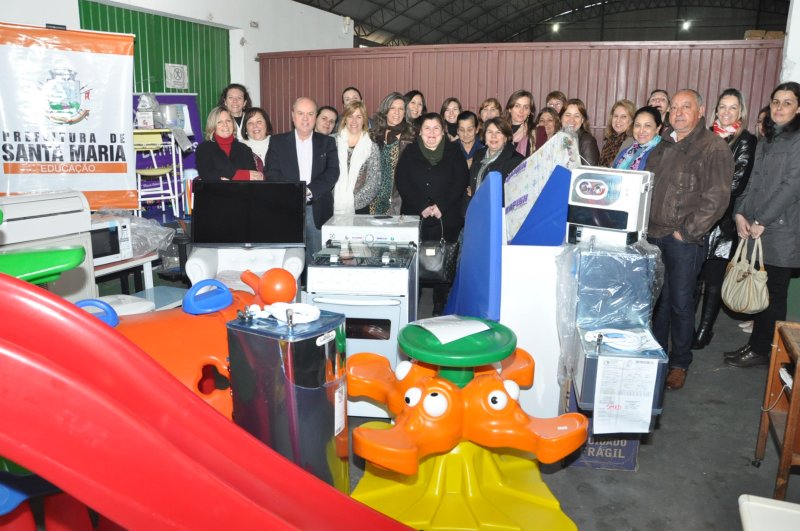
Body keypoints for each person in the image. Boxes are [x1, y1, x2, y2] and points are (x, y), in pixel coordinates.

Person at [645, 89, 734, 390]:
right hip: (654, 236)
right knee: (659, 301)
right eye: (674, 107)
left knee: (682, 303)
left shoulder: (713, 147)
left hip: (684, 240)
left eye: (687, 107)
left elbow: (717, 198)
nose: (679, 112)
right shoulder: (662, 146)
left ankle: (680, 362)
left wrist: (687, 232)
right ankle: (658, 356)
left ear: (701, 111)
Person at [725, 81, 800, 368]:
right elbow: (753, 181)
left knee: (772, 294)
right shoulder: (768, 138)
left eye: (787, 102)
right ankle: (758, 345)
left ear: (798, 108)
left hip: (781, 230)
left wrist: (761, 219)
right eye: (776, 102)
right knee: (760, 291)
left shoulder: (796, 140)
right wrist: (740, 213)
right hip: (757, 226)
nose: (779, 107)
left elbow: (792, 185)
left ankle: (765, 350)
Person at [692, 89, 757, 350]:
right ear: (715, 110)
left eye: (732, 107)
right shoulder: (704, 136)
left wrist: (703, 192)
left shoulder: (746, 141)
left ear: (740, 111)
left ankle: (705, 329)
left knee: (714, 278)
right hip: (697, 217)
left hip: (723, 221)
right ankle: (687, 327)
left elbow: (737, 183)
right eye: (722, 106)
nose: (726, 112)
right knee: (694, 276)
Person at [395, 113, 469, 315]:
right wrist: (421, 206)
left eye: (436, 128)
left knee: (443, 263)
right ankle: (413, 302)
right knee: (414, 262)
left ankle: (440, 304)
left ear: (442, 131)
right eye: (427, 128)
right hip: (416, 217)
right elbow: (402, 181)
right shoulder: (410, 152)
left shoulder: (454, 152)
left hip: (445, 218)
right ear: (420, 131)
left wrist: (441, 206)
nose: (431, 133)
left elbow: (461, 181)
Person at [265, 97, 339, 266]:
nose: (305, 118)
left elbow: (332, 172)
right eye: (300, 113)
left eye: (310, 114)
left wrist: (308, 191)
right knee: (288, 262)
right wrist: (293, 191)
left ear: (315, 117)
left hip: (317, 209)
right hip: (286, 210)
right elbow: (271, 172)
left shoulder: (327, 142)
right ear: (293, 116)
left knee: (318, 261)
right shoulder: (277, 142)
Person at [368, 92, 416, 215]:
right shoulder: (373, 136)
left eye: (401, 109)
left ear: (405, 112)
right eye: (392, 108)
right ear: (385, 111)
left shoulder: (411, 138)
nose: (397, 112)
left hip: (400, 202)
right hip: (373, 200)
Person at [333, 101, 380, 216]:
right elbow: (326, 175)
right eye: (350, 116)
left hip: (360, 209)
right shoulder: (332, 142)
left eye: (358, 117)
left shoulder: (372, 147)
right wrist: (335, 199)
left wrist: (351, 203)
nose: (354, 121)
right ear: (344, 119)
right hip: (332, 205)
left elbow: (374, 182)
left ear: (364, 120)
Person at [195, 106, 260, 181]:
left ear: (233, 123)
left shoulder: (244, 149)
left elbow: (254, 177)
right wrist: (240, 175)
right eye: (219, 122)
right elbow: (207, 174)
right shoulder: (204, 149)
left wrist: (224, 176)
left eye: (228, 121)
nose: (225, 125)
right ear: (213, 126)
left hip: (242, 192)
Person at [468, 117, 525, 202]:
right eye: (490, 132)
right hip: (477, 209)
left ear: (505, 138)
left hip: (499, 212)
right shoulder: (478, 155)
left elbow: (516, 194)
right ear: (484, 136)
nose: (493, 136)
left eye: (498, 132)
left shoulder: (516, 161)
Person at [612, 106, 662, 170]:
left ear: (658, 128)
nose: (641, 131)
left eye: (647, 126)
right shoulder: (625, 152)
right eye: (637, 125)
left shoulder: (662, 153)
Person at [561, 98, 600, 165]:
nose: (571, 119)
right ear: (561, 117)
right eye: (568, 115)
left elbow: (588, 173)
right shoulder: (558, 138)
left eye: (577, 116)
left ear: (582, 120)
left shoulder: (587, 141)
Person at [599, 99, 635, 167]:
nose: (618, 120)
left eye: (623, 117)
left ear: (632, 120)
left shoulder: (630, 142)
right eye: (616, 116)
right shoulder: (610, 141)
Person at [503, 90, 536, 157]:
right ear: (509, 108)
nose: (521, 111)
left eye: (526, 107)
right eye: (517, 106)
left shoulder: (535, 132)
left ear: (530, 111)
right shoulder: (500, 129)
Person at [241, 107, 273, 172]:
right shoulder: (239, 148)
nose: (255, 126)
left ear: (266, 124)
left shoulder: (278, 144)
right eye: (250, 123)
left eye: (259, 122)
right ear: (245, 128)